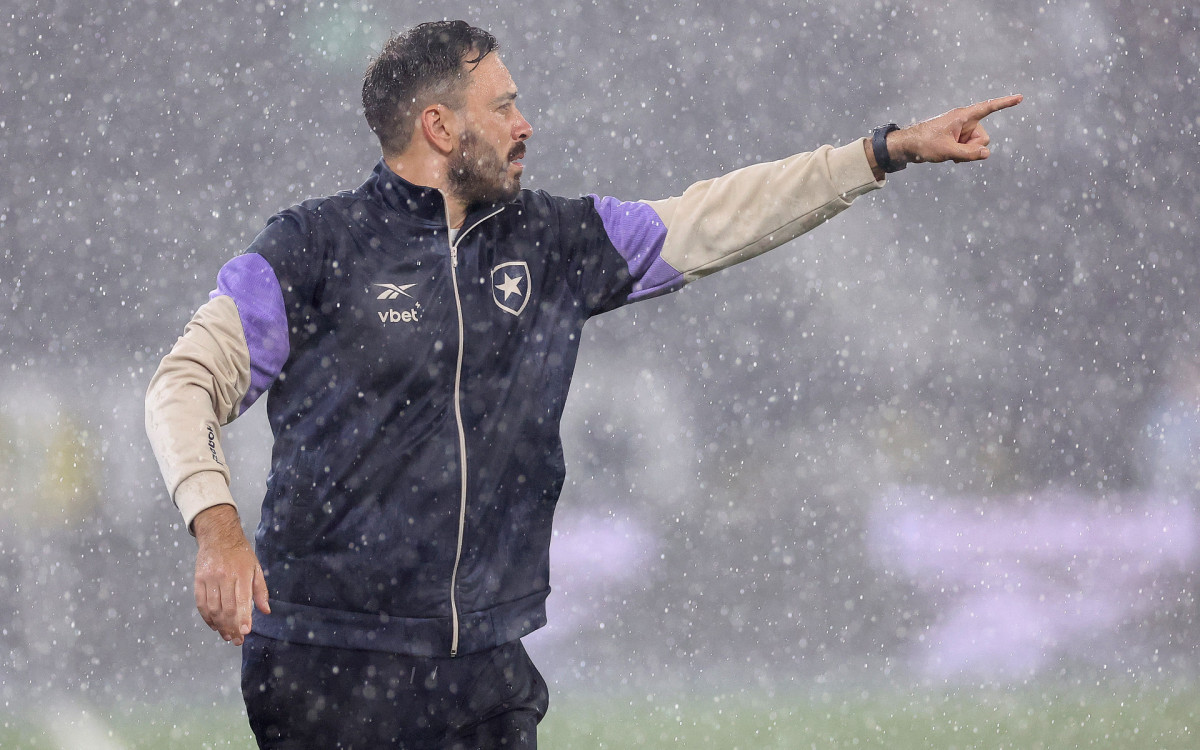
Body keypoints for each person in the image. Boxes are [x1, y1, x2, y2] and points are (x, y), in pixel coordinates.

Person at [145, 19, 1021, 749]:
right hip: (330, 660)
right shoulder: (313, 248)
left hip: (484, 665)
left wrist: (879, 153)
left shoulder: (551, 242)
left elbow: (712, 218)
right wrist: (217, 529)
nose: (524, 124)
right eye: (503, 106)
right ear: (440, 127)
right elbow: (183, 384)